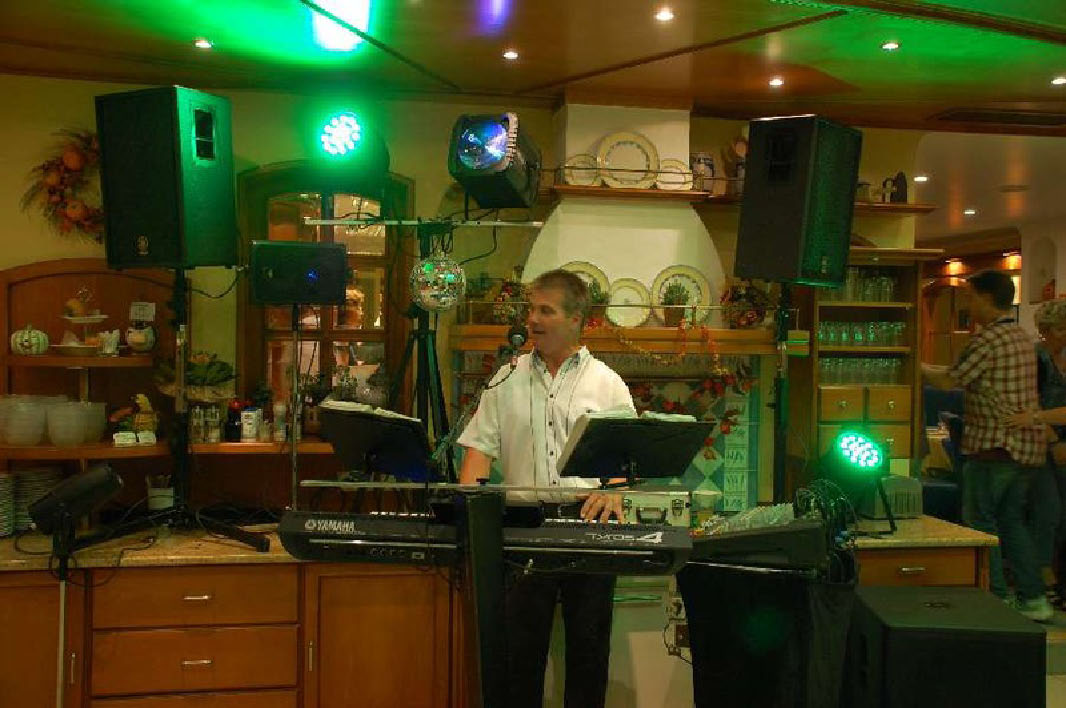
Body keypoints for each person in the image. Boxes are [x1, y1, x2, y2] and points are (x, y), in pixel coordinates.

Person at [458, 268, 635, 708]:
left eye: (545, 310)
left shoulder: (607, 383)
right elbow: (479, 452)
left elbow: (625, 461)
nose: (532, 319)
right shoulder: (505, 378)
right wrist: (468, 515)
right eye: (530, 309)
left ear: (576, 319)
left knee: (589, 659)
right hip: (522, 529)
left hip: (589, 527)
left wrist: (614, 490)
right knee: (518, 663)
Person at [922, 270, 1052, 621]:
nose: (967, 304)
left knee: (981, 523)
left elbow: (950, 380)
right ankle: (1034, 599)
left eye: (970, 297)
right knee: (1012, 523)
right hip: (1025, 448)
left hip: (994, 445)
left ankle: (995, 598)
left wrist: (913, 366)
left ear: (986, 298)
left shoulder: (988, 340)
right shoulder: (1020, 336)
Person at [1003, 298, 1066, 608]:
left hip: (1055, 441)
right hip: (1039, 445)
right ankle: (1042, 578)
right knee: (1048, 511)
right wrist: (1053, 439)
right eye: (1049, 330)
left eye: (1057, 330)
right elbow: (1026, 406)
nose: (1053, 336)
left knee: (1060, 516)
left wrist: (1040, 419)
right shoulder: (1036, 358)